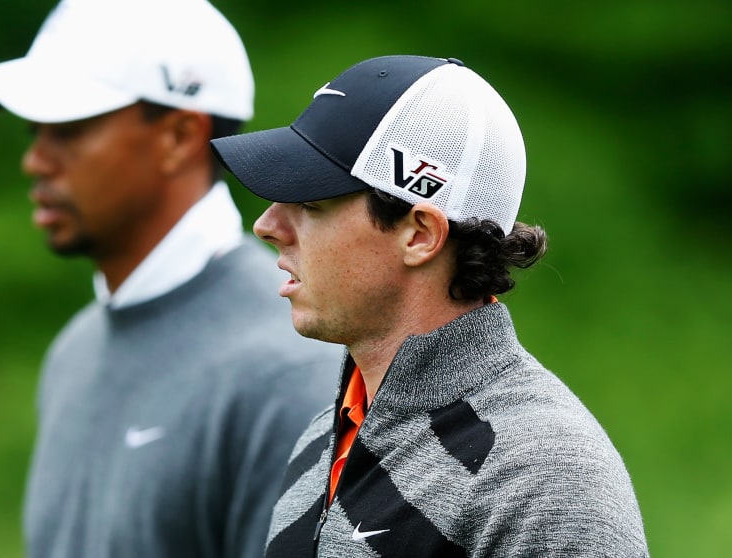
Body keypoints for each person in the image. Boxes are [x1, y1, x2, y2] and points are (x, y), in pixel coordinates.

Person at [211, 55, 649, 557]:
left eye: (311, 203)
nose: (267, 226)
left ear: (420, 234)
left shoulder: (546, 476)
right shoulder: (321, 437)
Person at [0, 1, 343, 557]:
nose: (35, 160)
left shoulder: (289, 369)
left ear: (180, 137)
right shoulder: (74, 351)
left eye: (67, 127)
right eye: (33, 129)